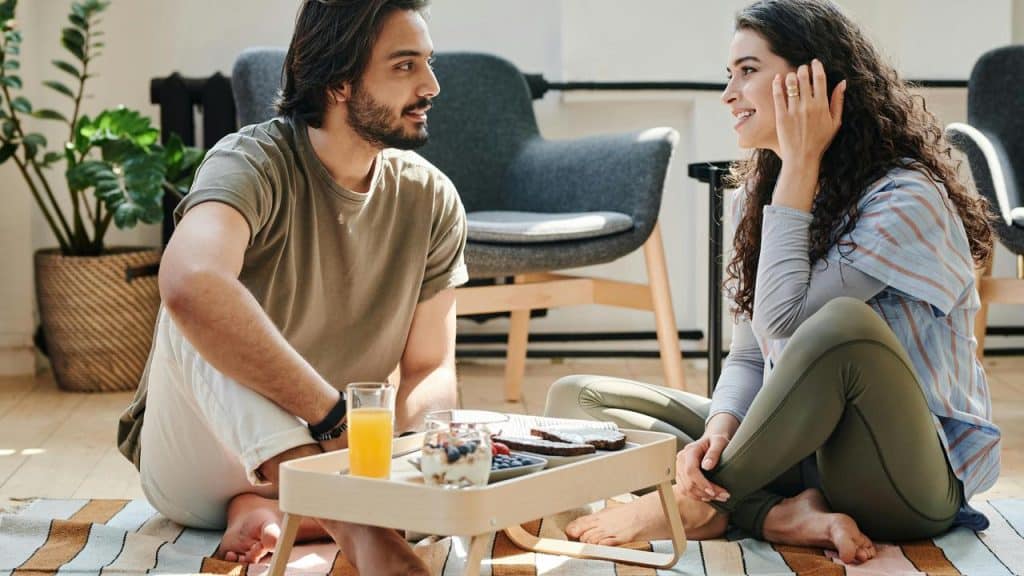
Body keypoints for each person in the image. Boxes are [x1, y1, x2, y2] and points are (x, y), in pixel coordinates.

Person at [545, 0, 1000, 564]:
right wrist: (721, 426)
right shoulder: (761, 193)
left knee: (841, 327)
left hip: (903, 482)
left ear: (811, 79)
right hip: (797, 458)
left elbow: (790, 324)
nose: (729, 94)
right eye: (728, 75)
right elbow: (751, 353)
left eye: (748, 71)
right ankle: (771, 512)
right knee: (577, 400)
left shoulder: (906, 199)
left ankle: (700, 505)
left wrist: (800, 164)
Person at [116, 0, 466, 571]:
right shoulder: (252, 163)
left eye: (427, 62)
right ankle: (353, 528)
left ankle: (269, 513)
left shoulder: (431, 199)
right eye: (405, 66)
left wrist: (412, 464)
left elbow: (429, 367)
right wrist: (330, 420)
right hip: (201, 463)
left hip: (339, 458)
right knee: (193, 301)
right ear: (339, 83)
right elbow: (187, 284)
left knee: (437, 466)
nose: (431, 84)